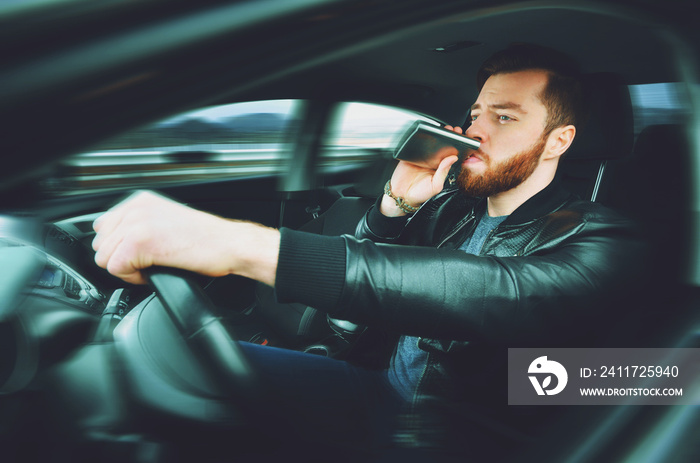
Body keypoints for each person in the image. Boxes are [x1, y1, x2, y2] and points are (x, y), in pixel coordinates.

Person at [92, 44, 641, 459]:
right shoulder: (452, 209)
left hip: (448, 437)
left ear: (559, 141)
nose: (476, 132)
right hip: (370, 389)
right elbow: (349, 316)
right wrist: (394, 208)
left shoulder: (603, 240)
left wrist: (237, 244)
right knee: (145, 366)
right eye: (475, 114)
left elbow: (493, 293)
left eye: (505, 117)